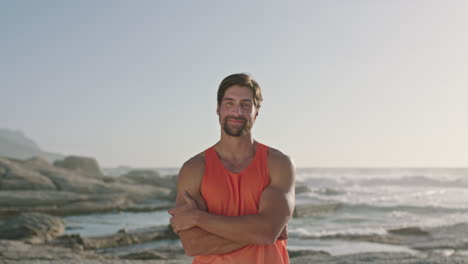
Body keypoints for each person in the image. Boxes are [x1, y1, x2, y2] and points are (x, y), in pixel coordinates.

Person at [168, 73, 295, 264]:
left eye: (245, 104)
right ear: (218, 109)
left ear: (256, 112)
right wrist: (257, 231)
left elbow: (268, 231)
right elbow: (193, 244)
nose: (237, 111)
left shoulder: (277, 163)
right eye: (229, 103)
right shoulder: (194, 168)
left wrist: (198, 218)